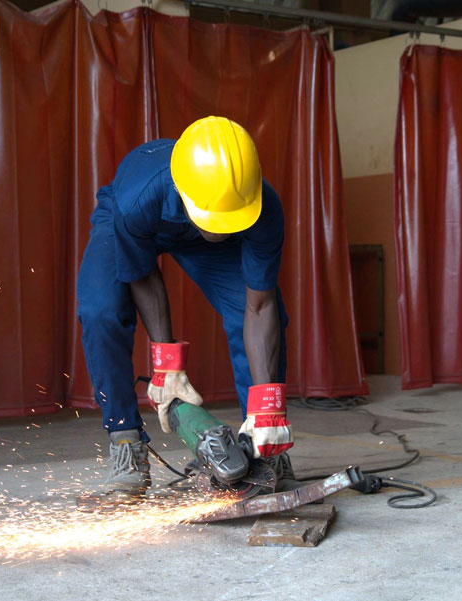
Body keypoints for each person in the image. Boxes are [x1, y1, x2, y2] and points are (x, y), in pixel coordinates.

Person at [76, 116, 294, 499]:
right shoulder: (138, 195)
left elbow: (259, 307)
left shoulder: (262, 207)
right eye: (218, 221)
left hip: (197, 225)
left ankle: (263, 445)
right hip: (136, 220)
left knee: (260, 312)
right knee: (100, 309)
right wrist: (167, 367)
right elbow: (142, 275)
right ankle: (125, 441)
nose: (222, 229)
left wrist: (268, 404)